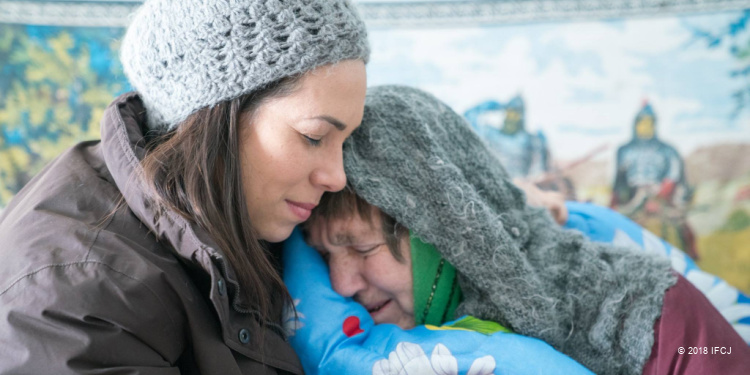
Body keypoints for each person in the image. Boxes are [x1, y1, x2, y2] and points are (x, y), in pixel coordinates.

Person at [0, 0, 369, 373]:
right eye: (314, 136)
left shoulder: (250, 214)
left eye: (346, 142)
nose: (337, 178)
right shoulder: (77, 297)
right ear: (213, 119)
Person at [302, 85, 750, 375]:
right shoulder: (362, 346)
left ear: (443, 231)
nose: (340, 283)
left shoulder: (648, 312)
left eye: (360, 247)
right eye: (323, 257)